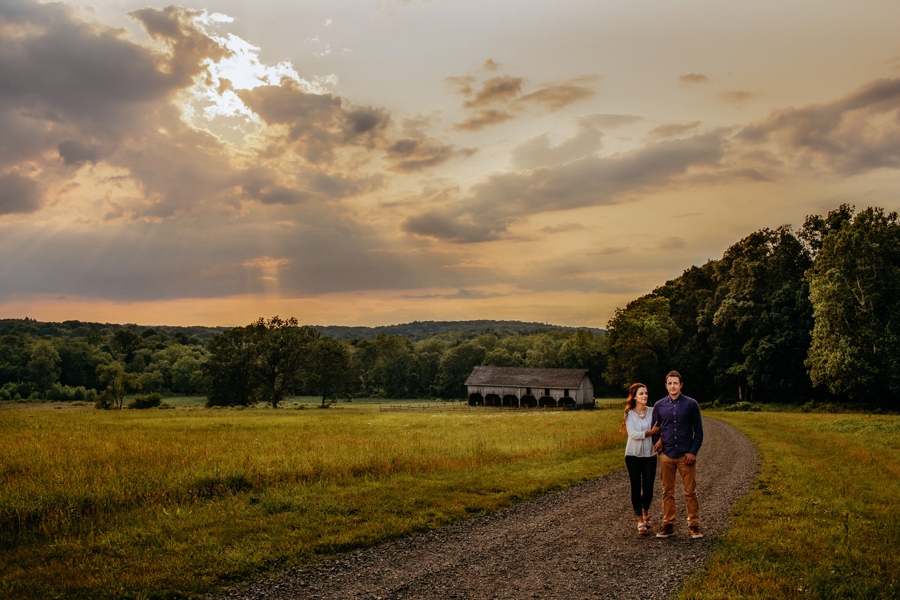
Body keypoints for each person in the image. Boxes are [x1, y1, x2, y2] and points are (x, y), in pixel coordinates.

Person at [651, 370, 704, 539]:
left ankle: (694, 525)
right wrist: (658, 446)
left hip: (685, 455)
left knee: (690, 492)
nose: (672, 386)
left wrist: (693, 452)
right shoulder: (659, 405)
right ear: (666, 386)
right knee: (667, 492)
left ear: (681, 385)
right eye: (670, 383)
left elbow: (699, 431)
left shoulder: (691, 404)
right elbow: (654, 429)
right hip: (666, 455)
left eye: (675, 383)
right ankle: (668, 524)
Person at [622, 382, 661, 536]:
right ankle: (640, 520)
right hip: (633, 455)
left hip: (650, 455)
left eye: (646, 393)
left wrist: (660, 439)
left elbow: (661, 428)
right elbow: (633, 434)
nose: (645, 396)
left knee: (649, 488)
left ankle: (646, 512)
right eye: (641, 394)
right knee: (636, 487)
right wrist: (651, 432)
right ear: (634, 397)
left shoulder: (653, 411)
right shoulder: (629, 414)